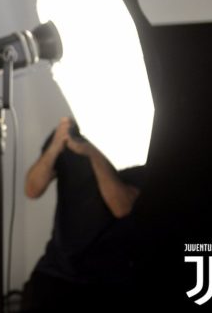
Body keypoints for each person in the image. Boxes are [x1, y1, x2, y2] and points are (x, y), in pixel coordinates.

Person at [21, 117, 145, 311]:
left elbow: (122, 208)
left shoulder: (136, 141)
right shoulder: (72, 131)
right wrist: (55, 146)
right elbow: (32, 190)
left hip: (109, 276)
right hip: (58, 268)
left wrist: (93, 153)